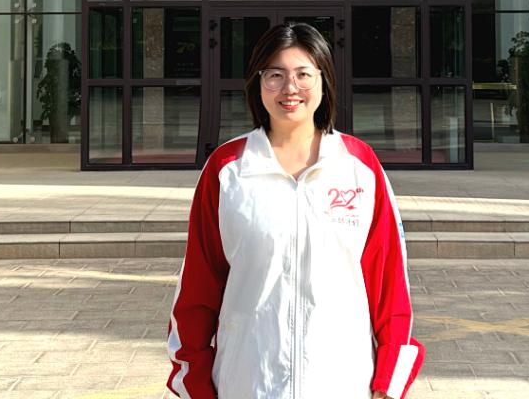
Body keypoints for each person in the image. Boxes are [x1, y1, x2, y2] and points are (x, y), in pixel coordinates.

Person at [166, 22, 424, 399]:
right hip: (248, 383)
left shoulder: (359, 167)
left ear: (323, 81)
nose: (290, 87)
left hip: (343, 383)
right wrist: (195, 384)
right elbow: (197, 287)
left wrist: (388, 382)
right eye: (275, 75)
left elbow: (389, 285)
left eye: (303, 74)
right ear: (258, 83)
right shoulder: (228, 169)